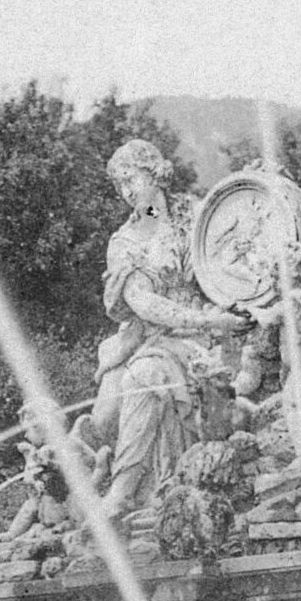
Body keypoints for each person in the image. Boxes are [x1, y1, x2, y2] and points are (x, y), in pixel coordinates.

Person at [89, 137, 246, 541]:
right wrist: (206, 320)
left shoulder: (198, 214)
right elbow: (143, 302)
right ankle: (123, 490)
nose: (127, 191)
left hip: (219, 333)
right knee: (144, 375)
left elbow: (236, 251)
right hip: (164, 337)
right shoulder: (126, 241)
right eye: (120, 185)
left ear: (154, 172)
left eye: (132, 179)